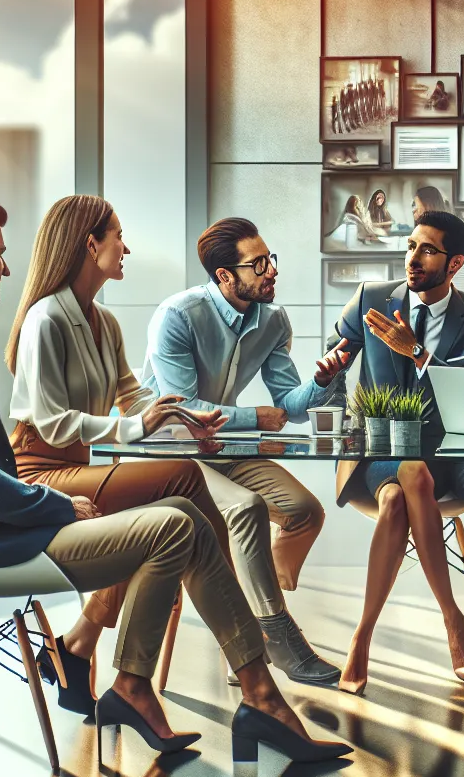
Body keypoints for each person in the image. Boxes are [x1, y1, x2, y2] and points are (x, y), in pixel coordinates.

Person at [0, 192, 343, 762]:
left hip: (25, 490)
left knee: (184, 512)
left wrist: (177, 415)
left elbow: (134, 397)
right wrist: (57, 505)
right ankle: (243, 679)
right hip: (9, 500)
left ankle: (112, 663)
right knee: (183, 507)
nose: (6, 267)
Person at [2, 195, 260, 707]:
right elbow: (53, 424)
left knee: (162, 519)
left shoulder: (105, 322)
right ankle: (247, 642)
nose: (126, 247)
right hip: (39, 474)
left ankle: (79, 647)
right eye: (118, 235)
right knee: (184, 482)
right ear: (89, 243)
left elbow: (134, 395)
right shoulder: (45, 320)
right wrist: (138, 426)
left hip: (80, 467)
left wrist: (185, 416)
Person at [137, 217, 342, 687]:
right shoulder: (178, 316)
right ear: (225, 277)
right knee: (246, 510)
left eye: (270, 259)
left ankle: (249, 615)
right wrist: (255, 418)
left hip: (225, 446)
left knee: (305, 511)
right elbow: (183, 408)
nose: (271, 271)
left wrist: (321, 381)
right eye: (259, 264)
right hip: (171, 452)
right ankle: (274, 634)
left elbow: (289, 404)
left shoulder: (273, 320)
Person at [319, 210, 464, 693]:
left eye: (427, 250)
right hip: (380, 449)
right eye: (410, 246)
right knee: (410, 478)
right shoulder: (371, 298)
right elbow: (332, 358)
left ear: (454, 264)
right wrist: (331, 369)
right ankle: (452, 621)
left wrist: (418, 353)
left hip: (451, 450)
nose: (413, 258)